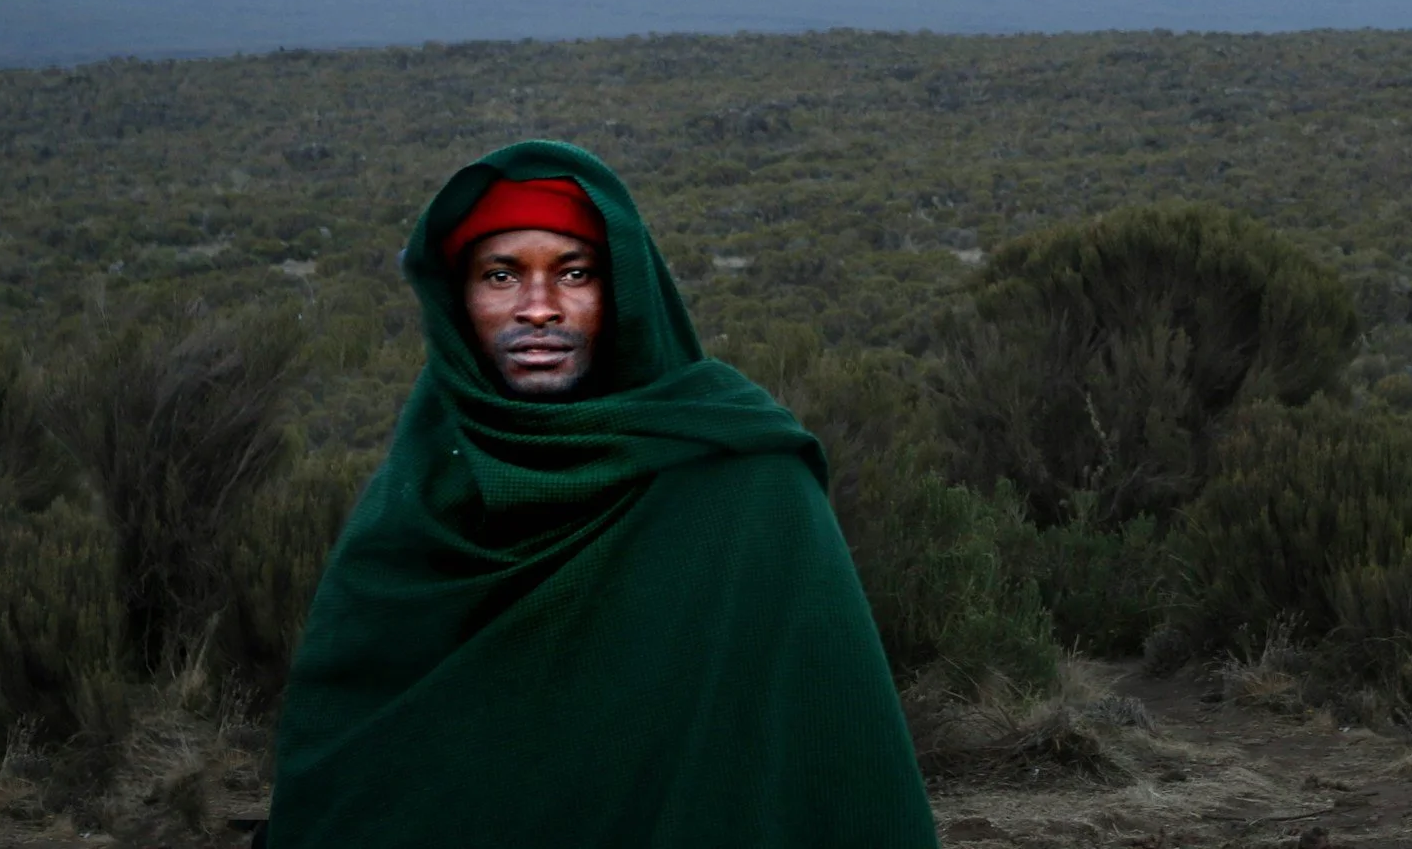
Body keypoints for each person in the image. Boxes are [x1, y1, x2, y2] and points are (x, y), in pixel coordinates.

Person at [263, 139, 938, 848]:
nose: (539, 307)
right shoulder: (418, 498)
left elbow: (834, 756)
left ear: (621, 295)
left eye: (574, 272)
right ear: (459, 301)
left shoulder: (744, 482)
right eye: (500, 275)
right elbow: (349, 761)